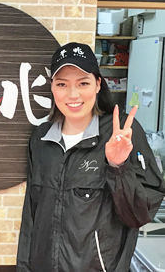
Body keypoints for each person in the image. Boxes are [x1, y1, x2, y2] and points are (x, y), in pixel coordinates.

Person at [16, 42, 165, 272]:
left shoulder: (122, 133)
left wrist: (118, 167)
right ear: (53, 88)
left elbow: (139, 214)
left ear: (97, 84)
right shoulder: (41, 139)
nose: (73, 94)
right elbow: (31, 218)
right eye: (62, 84)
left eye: (83, 83)